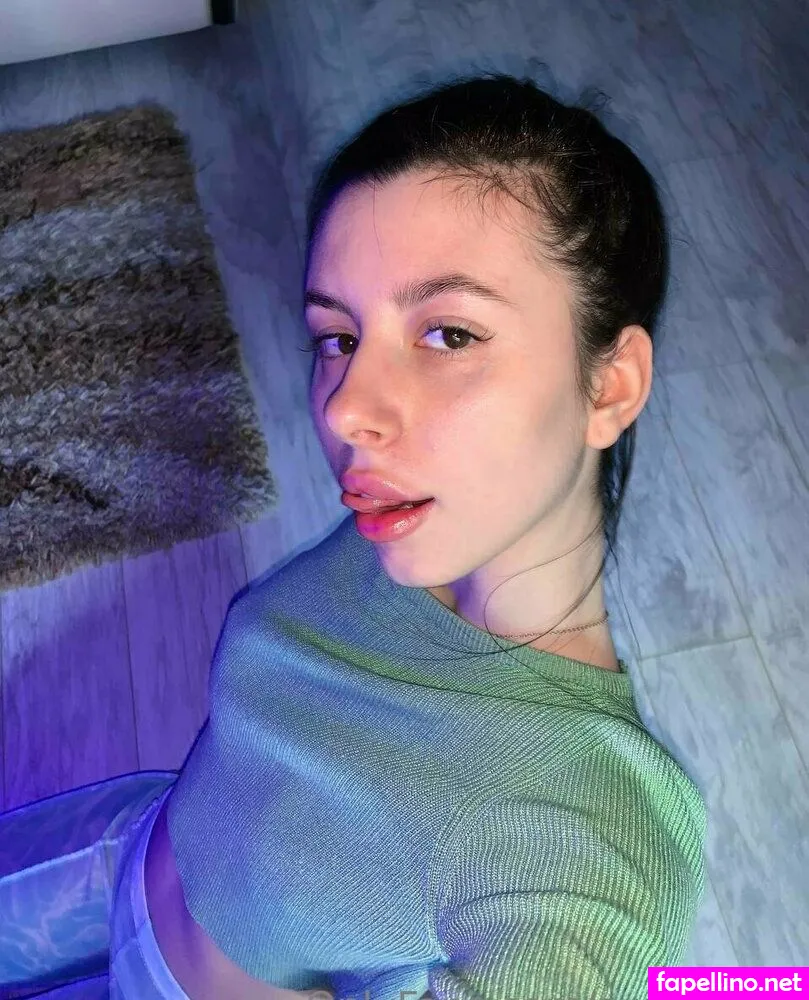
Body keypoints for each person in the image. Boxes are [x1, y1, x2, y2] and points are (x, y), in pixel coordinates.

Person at [0, 70, 707, 1000]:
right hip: (122, 843)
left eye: (449, 334)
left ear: (608, 385)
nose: (345, 410)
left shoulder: (584, 839)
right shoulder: (424, 524)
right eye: (338, 337)